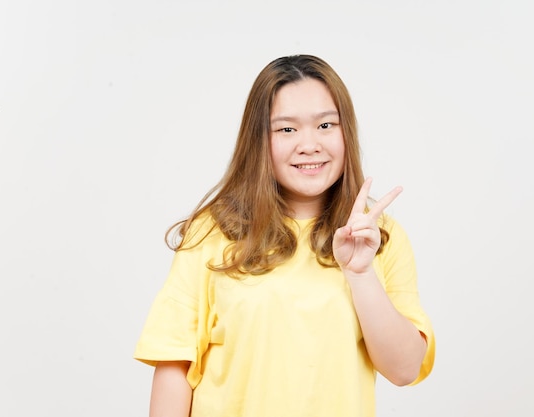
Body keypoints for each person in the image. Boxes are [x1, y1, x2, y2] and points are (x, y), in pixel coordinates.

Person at [133, 54, 435, 417]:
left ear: (347, 132)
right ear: (259, 140)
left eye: (326, 125)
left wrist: (361, 274)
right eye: (287, 129)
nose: (309, 144)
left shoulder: (379, 236)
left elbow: (404, 370)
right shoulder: (213, 230)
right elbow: (174, 364)